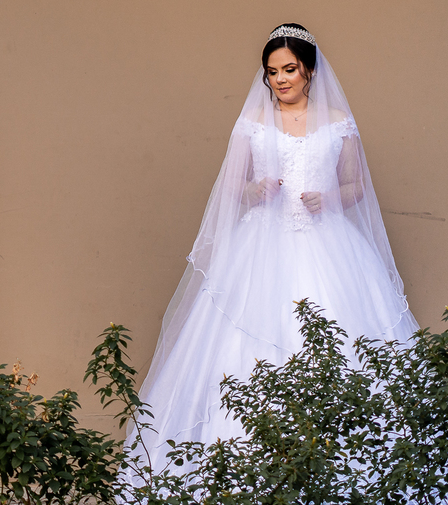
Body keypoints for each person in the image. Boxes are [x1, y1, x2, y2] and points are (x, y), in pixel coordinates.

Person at [130, 24, 418, 475]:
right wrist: (256, 188)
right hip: (260, 247)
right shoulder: (254, 121)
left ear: (308, 70)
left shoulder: (339, 119)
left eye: (290, 69)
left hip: (328, 243)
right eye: (272, 71)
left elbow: (357, 184)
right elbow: (231, 186)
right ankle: (240, 466)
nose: (281, 79)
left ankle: (342, 469)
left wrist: (332, 199)